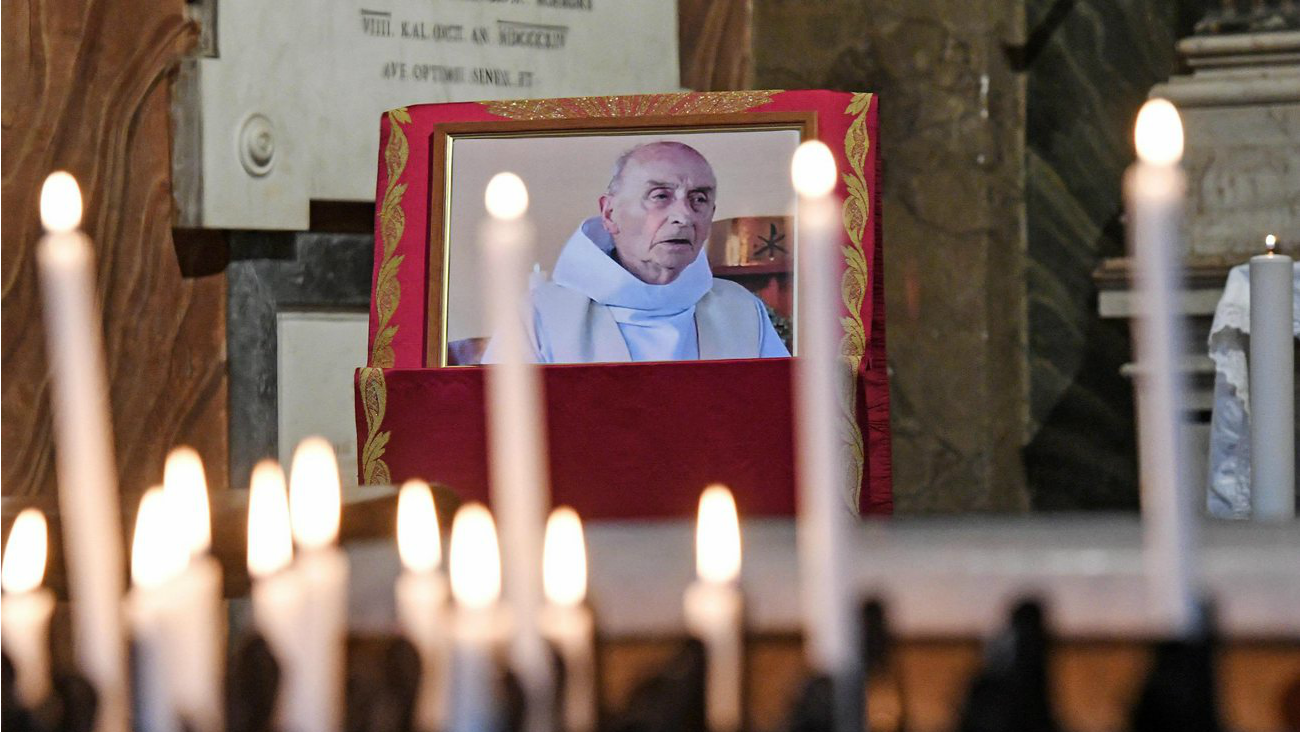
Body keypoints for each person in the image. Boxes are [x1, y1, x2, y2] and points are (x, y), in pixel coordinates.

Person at [483, 141, 789, 364]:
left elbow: (778, 416)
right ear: (610, 213)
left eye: (698, 199)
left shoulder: (741, 310)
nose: (684, 215)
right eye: (660, 196)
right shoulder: (542, 315)